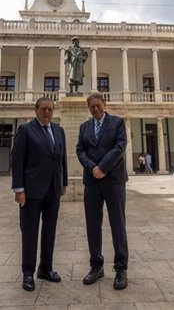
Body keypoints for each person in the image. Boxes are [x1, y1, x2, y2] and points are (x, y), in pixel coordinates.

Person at [11, 97, 68, 292]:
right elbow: (17, 161)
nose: (46, 112)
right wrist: (19, 189)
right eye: (43, 109)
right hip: (32, 190)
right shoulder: (26, 130)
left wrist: (64, 183)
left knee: (49, 232)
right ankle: (28, 273)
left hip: (53, 189)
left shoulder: (59, 130)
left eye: (50, 109)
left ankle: (46, 268)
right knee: (30, 232)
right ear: (36, 110)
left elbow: (61, 160)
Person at [76, 92, 129, 290]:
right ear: (88, 108)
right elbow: (80, 150)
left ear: (104, 104)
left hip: (113, 180)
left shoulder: (117, 123)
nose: (96, 109)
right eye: (92, 107)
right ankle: (96, 266)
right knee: (92, 224)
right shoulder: (84, 127)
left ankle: (121, 268)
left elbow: (120, 146)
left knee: (117, 224)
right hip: (92, 181)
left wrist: (103, 167)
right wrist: (92, 168)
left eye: (98, 105)